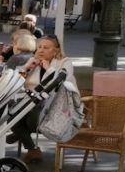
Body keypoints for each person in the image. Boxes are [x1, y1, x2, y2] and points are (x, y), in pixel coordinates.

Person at [7, 35, 77, 163]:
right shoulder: (34, 61)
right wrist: (26, 68)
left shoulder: (65, 62)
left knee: (27, 120)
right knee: (10, 116)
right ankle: (33, 150)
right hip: (33, 104)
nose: (41, 50)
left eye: (46, 47)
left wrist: (48, 69)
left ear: (56, 50)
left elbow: (61, 83)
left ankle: (20, 133)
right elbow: (16, 81)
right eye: (39, 47)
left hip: (57, 106)